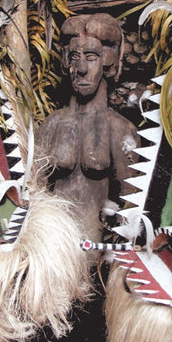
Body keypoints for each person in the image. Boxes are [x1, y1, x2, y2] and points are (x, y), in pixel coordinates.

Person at [36, 13, 140, 242]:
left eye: (91, 57)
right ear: (66, 62)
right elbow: (34, 192)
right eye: (74, 57)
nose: (81, 68)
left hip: (97, 249)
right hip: (52, 246)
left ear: (107, 62)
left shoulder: (119, 128)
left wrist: (115, 251)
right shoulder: (51, 124)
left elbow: (130, 202)